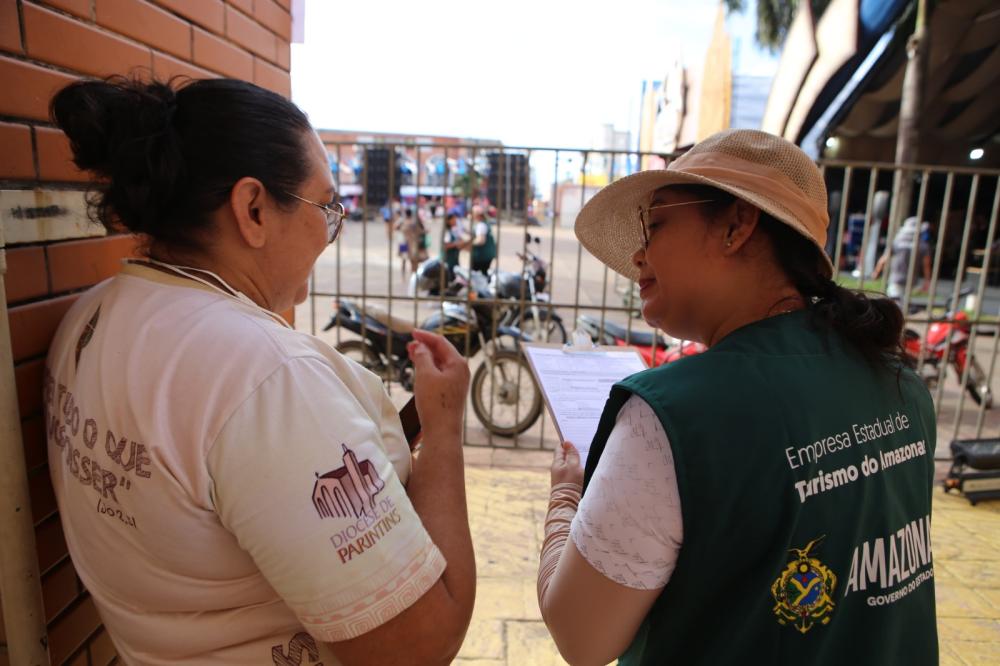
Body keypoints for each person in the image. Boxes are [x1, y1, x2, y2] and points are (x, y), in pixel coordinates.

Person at [45, 76, 475, 664]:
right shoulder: (267, 377)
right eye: (326, 207)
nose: (331, 230)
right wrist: (443, 428)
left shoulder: (90, 315)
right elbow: (420, 644)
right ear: (253, 210)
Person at [536, 129, 937, 666]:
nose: (638, 254)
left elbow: (581, 637)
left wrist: (566, 496)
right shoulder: (902, 383)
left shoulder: (674, 417)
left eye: (655, 225)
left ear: (736, 226)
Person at [872, 216, 932, 298]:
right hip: (911, 280)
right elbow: (926, 265)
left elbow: (883, 260)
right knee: (904, 301)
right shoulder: (923, 245)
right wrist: (927, 281)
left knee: (894, 300)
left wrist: (876, 273)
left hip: (896, 278)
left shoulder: (897, 242)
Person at [469, 205, 497, 275]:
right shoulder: (484, 223)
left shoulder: (481, 225)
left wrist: (469, 244)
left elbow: (481, 241)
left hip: (481, 256)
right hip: (487, 255)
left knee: (477, 275)